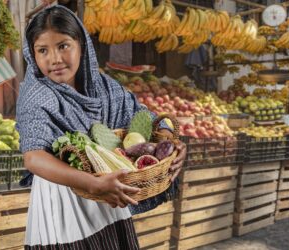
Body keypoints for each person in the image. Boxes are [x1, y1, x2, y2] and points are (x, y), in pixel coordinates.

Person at [16, 5, 186, 249]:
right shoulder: (36, 94)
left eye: (63, 46)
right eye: (43, 50)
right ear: (32, 55)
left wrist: (171, 142)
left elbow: (143, 116)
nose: (54, 59)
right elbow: (33, 157)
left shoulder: (103, 87)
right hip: (64, 201)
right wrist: (91, 184)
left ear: (82, 46)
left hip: (108, 196)